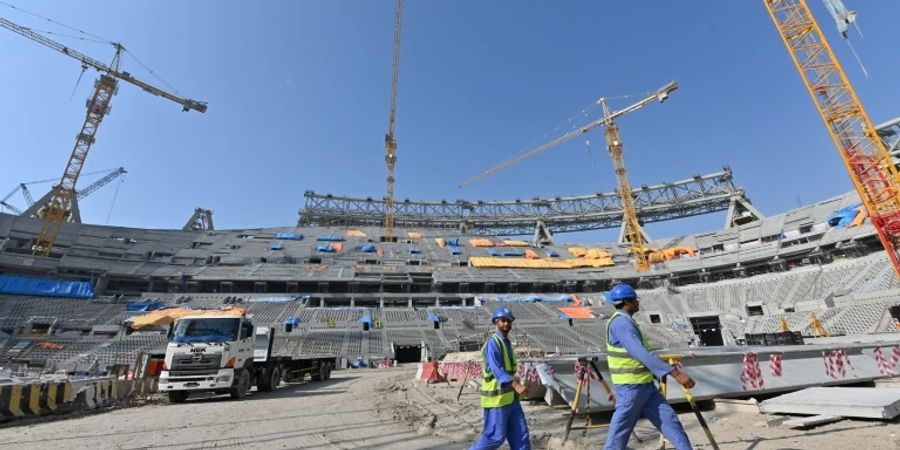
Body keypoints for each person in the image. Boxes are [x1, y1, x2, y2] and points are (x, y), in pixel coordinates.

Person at [603, 283, 694, 450]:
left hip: (645, 387)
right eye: (636, 299)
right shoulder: (621, 323)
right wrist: (675, 373)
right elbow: (641, 353)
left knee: (669, 421)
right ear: (628, 301)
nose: (638, 302)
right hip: (630, 388)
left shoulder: (627, 322)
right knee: (619, 435)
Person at [470, 307, 531, 450]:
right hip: (496, 401)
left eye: (509, 321)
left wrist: (519, 385)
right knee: (494, 438)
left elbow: (511, 370)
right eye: (503, 321)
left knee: (521, 438)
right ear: (496, 322)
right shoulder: (493, 343)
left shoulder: (508, 344)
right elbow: (498, 369)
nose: (506, 324)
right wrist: (516, 386)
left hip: (511, 399)